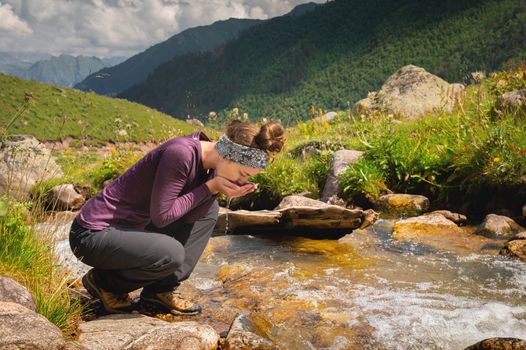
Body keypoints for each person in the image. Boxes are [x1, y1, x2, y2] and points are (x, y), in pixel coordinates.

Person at [69, 119, 286, 315]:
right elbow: (163, 216)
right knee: (171, 253)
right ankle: (104, 283)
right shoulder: (181, 153)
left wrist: (215, 190)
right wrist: (210, 187)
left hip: (131, 230)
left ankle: (161, 291)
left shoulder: (211, 167)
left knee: (209, 210)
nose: (241, 181)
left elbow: (193, 216)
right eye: (242, 174)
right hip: (92, 234)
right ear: (227, 155)